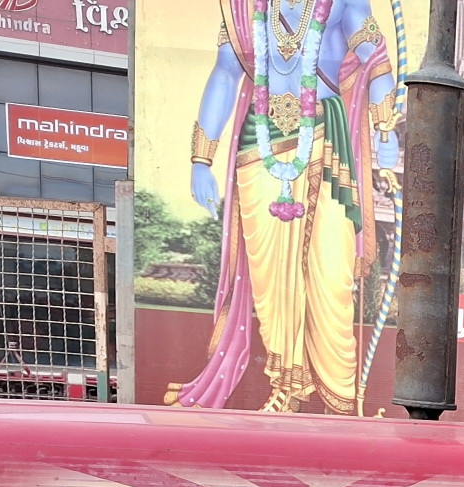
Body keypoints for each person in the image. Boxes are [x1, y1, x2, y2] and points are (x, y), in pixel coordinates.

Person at [169, 0, 400, 414]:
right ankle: (287, 388)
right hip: (258, 146)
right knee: (271, 281)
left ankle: (344, 400)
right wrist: (201, 160)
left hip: (324, 141)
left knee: (332, 274)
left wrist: (385, 127)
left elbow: (374, 55)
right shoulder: (243, 7)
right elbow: (225, 73)